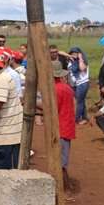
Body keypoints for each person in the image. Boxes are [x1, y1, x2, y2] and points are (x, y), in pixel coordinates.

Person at [42, 61, 76, 193]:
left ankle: (65, 188)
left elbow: (52, 108)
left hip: (59, 128)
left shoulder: (55, 89)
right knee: (61, 160)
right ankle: (65, 187)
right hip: (66, 126)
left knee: (59, 162)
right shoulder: (66, 87)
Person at [63, 47, 90, 124]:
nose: (74, 54)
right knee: (81, 101)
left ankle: (77, 119)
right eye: (72, 53)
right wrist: (68, 55)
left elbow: (82, 68)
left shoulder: (83, 61)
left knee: (79, 101)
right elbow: (59, 52)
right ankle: (84, 117)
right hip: (75, 84)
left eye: (75, 53)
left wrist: (80, 58)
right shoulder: (71, 61)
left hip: (82, 83)